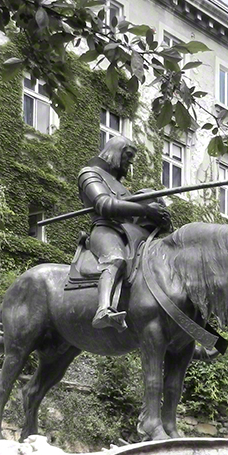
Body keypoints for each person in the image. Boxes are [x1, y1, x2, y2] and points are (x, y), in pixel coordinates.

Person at [77, 136, 171, 330]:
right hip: (106, 229)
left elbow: (134, 213)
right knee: (115, 259)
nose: (130, 161)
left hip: (132, 235)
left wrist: (156, 214)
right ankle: (104, 310)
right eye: (128, 155)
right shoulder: (89, 174)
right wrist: (145, 210)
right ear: (115, 152)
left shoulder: (123, 188)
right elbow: (104, 204)